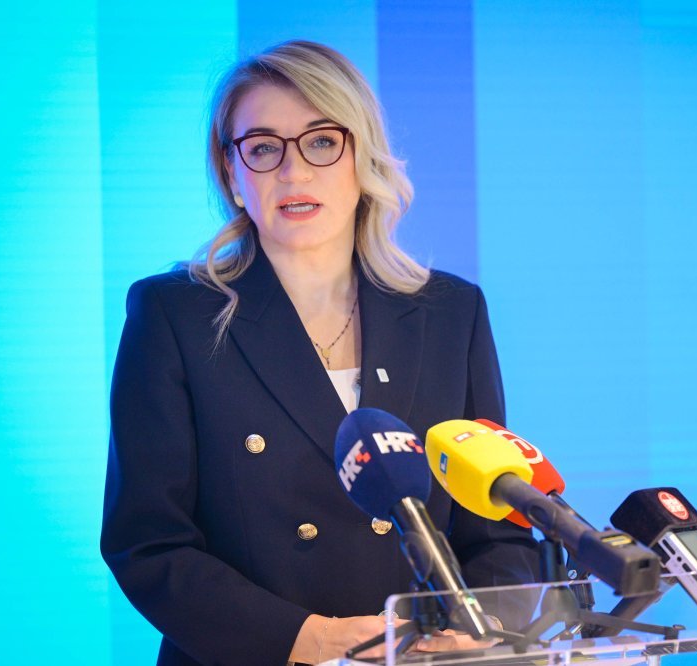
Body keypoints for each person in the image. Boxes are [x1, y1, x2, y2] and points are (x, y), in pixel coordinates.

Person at [100, 40, 539, 666]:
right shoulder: (174, 315)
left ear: (363, 156)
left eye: (322, 141)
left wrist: (485, 625)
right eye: (263, 148)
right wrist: (307, 639)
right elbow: (149, 544)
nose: (294, 172)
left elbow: (495, 529)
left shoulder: (450, 312)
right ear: (231, 173)